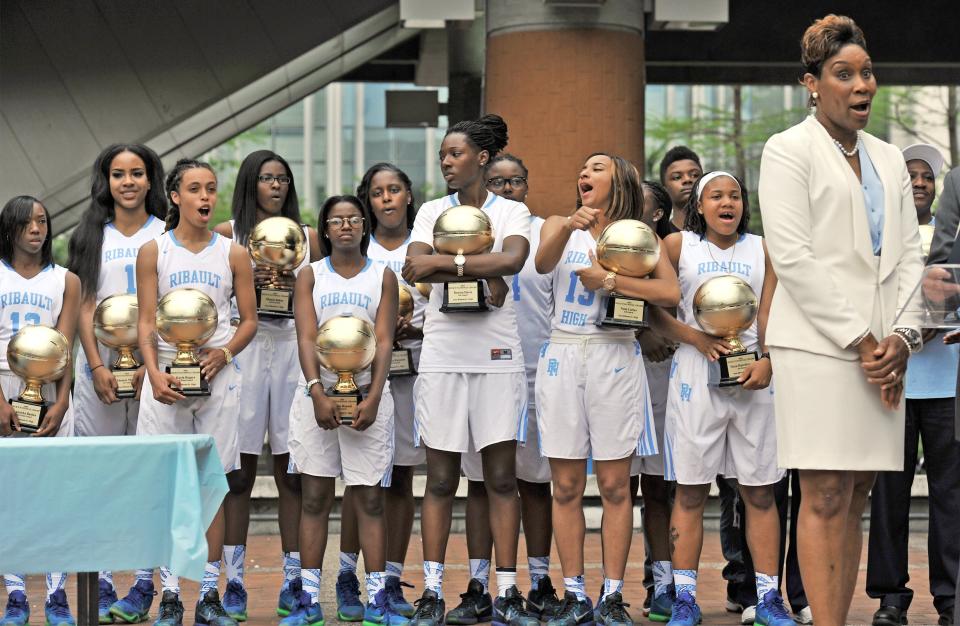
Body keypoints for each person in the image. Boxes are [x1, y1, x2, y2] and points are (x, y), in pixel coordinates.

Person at [758, 14, 924, 626]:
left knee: (856, 495)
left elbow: (909, 255)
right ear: (812, 83)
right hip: (820, 346)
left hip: (884, 352)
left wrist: (903, 338)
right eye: (844, 74)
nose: (862, 85)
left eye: (867, 72)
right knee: (825, 492)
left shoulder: (888, 156)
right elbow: (794, 258)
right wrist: (862, 339)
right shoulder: (787, 150)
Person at [401, 114, 535, 626]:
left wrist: (447, 263)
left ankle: (504, 593)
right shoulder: (432, 210)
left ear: (481, 158)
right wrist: (471, 266)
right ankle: (433, 592)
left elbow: (512, 262)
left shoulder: (511, 211)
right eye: (442, 155)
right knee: (439, 481)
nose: (446, 162)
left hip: (498, 358)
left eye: (454, 154)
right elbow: (415, 265)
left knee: (500, 480)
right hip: (442, 357)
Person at [535, 152, 680, 626]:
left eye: (598, 167)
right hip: (563, 351)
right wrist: (569, 225)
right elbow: (542, 262)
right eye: (582, 169)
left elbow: (670, 294)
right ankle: (575, 592)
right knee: (567, 485)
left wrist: (612, 279)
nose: (585, 174)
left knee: (617, 485)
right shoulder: (560, 223)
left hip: (615, 353)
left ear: (620, 179)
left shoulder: (639, 235)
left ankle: (612, 595)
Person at [649, 172, 789, 626]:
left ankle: (769, 599)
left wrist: (768, 359)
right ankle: (685, 598)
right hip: (695, 373)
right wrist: (696, 338)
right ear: (700, 205)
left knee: (759, 491)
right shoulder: (677, 247)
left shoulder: (762, 247)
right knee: (690, 492)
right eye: (717, 196)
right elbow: (658, 313)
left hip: (751, 375)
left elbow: (769, 311)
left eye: (734, 195)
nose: (727, 202)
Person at [135, 159, 258, 626]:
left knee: (213, 488)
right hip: (165, 379)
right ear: (176, 197)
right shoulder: (154, 251)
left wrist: (224, 354)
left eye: (210, 189)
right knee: (167, 488)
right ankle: (169, 593)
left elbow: (249, 320)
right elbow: (146, 322)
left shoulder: (233, 253)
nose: (205, 197)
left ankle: (209, 594)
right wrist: (153, 372)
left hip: (218, 380)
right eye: (195, 189)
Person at [213, 150, 322, 622]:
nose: (275, 186)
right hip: (246, 349)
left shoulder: (309, 238)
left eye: (282, 178)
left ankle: (294, 579)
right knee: (237, 473)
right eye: (266, 178)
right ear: (249, 184)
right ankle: (233, 580)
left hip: (293, 352)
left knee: (291, 472)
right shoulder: (227, 237)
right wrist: (248, 279)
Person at [281, 195, 400, 626]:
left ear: (364, 226)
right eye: (336, 220)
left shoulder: (383, 275)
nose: (346, 226)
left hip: (367, 394)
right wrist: (316, 391)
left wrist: (374, 395)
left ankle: (378, 601)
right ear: (325, 230)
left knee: (369, 497)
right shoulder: (310, 274)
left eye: (353, 219)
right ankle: (308, 600)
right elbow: (306, 336)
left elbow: (384, 340)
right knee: (314, 497)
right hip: (317, 395)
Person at [454, 154, 560, 624]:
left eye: (516, 180)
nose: (507, 188)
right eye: (497, 181)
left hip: (537, 372)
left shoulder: (543, 234)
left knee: (535, 484)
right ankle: (481, 584)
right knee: (481, 483)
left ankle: (538, 581)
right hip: (482, 369)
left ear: (527, 183)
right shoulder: (464, 230)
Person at [66, 143, 168, 624]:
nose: (127, 182)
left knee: (147, 473)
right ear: (105, 181)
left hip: (155, 367)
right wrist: (95, 366)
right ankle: (102, 579)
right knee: (102, 473)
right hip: (102, 369)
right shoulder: (90, 235)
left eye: (136, 173)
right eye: (118, 174)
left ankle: (145, 581)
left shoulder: (166, 232)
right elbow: (84, 304)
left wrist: (154, 363)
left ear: (151, 180)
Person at [867, 143, 959, 626]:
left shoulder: (954, 235)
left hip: (948, 383)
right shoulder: (877, 234)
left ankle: (951, 599)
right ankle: (890, 599)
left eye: (927, 175)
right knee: (889, 497)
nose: (919, 182)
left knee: (951, 495)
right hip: (894, 381)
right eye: (911, 174)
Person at [337, 162, 424, 621]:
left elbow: (441, 305)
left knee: (402, 478)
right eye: (376, 192)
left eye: (394, 189)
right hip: (358, 379)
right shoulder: (356, 248)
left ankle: (389, 578)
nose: (386, 198)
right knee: (362, 480)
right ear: (367, 201)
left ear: (409, 194)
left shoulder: (425, 245)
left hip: (410, 373)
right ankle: (348, 573)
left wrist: (415, 327)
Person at [0, 195, 81, 626]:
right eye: (28, 221)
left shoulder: (66, 280)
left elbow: (65, 348)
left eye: (43, 221)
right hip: (2, 386)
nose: (37, 228)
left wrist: (63, 400)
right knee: (8, 497)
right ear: (9, 227)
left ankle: (56, 594)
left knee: (55, 495)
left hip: (48, 392)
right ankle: (15, 594)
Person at [633, 180, 679, 621]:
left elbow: (678, 308)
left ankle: (662, 585)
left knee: (659, 489)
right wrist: (641, 333)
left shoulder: (671, 252)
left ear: (658, 215)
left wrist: (656, 332)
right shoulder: (607, 246)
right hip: (619, 374)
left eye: (641, 203)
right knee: (618, 487)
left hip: (665, 377)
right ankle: (609, 589)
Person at [658, 147, 703, 232]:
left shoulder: (722, 233)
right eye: (677, 177)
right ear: (665, 190)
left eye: (695, 175)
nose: (687, 180)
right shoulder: (661, 237)